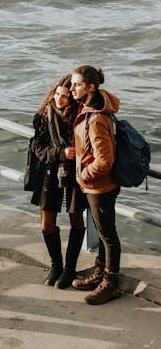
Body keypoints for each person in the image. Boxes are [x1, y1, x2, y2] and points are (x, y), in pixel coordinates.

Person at [69, 65, 122, 304]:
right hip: (94, 185)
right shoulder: (90, 108)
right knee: (102, 234)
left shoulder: (97, 117)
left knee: (108, 235)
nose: (71, 88)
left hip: (100, 186)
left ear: (91, 87)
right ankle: (100, 273)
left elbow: (105, 160)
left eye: (77, 84)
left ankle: (111, 283)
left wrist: (83, 176)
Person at [30, 74, 87, 288]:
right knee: (47, 224)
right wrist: (60, 152)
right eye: (57, 94)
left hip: (74, 176)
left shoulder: (79, 117)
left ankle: (70, 269)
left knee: (76, 220)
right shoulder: (44, 115)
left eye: (64, 96)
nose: (59, 99)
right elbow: (37, 147)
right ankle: (56, 265)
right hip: (49, 173)